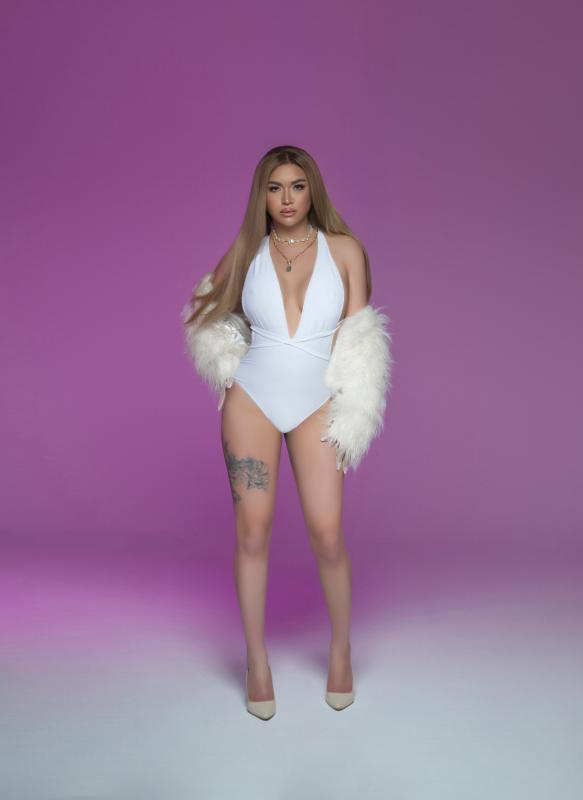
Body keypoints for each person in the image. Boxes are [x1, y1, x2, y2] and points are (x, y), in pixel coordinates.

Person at [182, 145, 392, 720]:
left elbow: (360, 338)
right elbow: (204, 306)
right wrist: (226, 365)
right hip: (252, 399)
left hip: (317, 402)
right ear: (263, 196)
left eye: (297, 186)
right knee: (253, 532)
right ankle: (257, 661)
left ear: (312, 189)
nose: (287, 199)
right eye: (275, 188)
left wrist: (353, 412)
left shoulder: (344, 250)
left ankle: (341, 650)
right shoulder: (248, 250)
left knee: (327, 534)